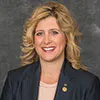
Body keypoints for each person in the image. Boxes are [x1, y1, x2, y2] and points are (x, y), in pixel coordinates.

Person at [1, 1, 100, 100]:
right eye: (40, 33)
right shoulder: (14, 80)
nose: (46, 40)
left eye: (54, 32)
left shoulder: (88, 84)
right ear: (33, 39)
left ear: (66, 38)